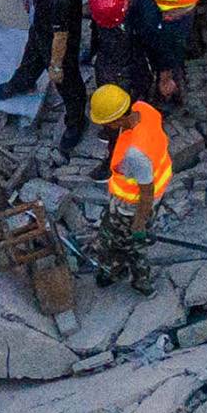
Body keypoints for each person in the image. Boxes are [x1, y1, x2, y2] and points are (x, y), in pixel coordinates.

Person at [0, 0, 90, 153]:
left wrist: (56, 66)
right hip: (41, 30)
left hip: (59, 43)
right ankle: (21, 83)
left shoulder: (60, 0)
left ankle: (76, 122)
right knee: (30, 59)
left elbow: (61, 37)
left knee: (68, 85)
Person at [84, 82, 173, 289]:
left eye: (106, 122)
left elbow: (146, 192)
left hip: (131, 206)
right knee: (136, 245)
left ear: (117, 120)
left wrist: (139, 224)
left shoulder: (136, 154)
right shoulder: (144, 109)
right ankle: (143, 283)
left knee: (113, 242)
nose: (104, 127)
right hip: (156, 191)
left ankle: (112, 272)